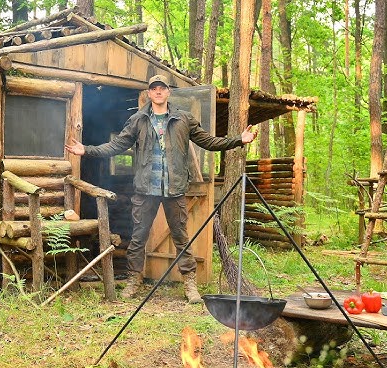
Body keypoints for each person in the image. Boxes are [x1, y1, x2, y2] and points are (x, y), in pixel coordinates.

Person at [65, 74, 258, 304]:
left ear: (168, 92)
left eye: (162, 88)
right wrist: (87, 150)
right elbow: (117, 145)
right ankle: (134, 281)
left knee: (181, 238)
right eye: (154, 88)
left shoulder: (183, 119)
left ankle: (190, 284)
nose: (158, 91)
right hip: (146, 189)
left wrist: (239, 139)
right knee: (138, 237)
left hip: (174, 188)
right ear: (149, 93)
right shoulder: (138, 120)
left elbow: (209, 142)